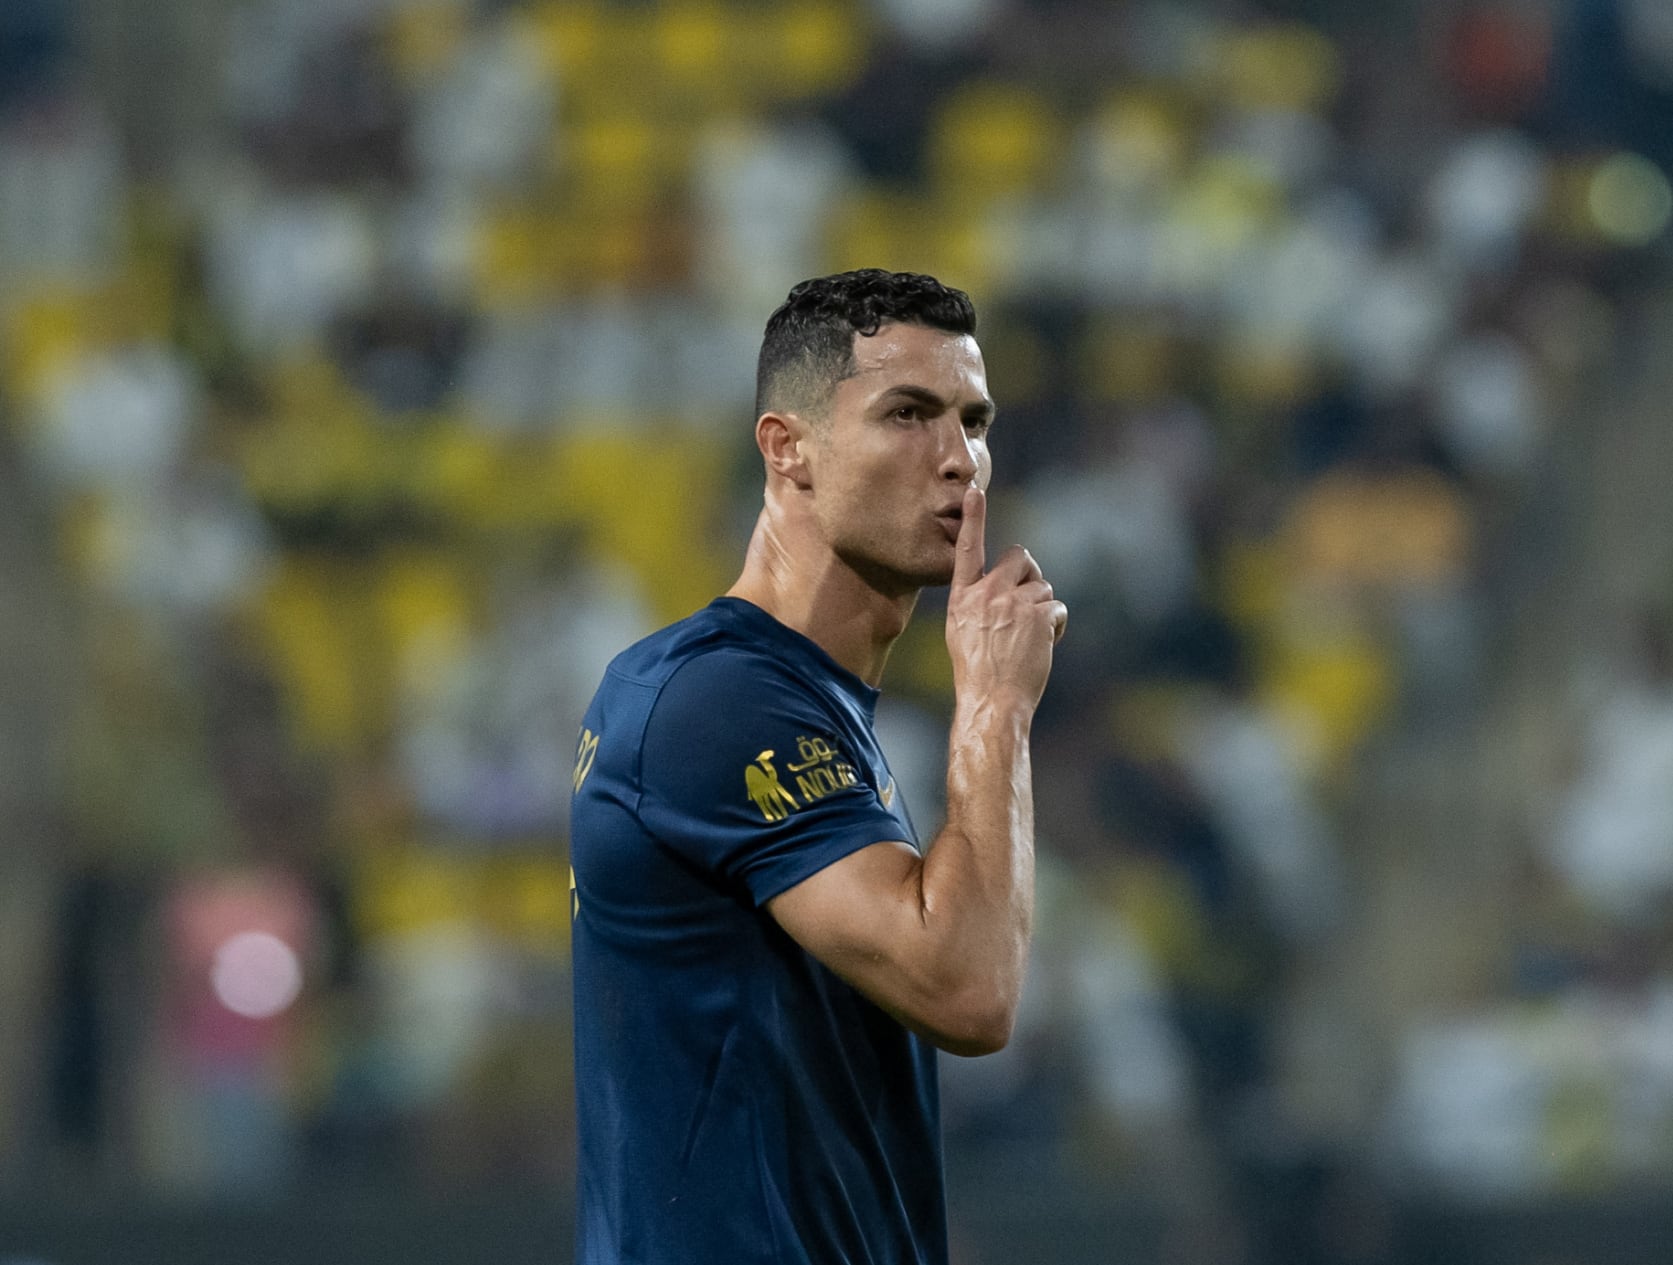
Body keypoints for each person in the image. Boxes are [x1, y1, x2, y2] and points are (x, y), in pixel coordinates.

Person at [568, 268, 1068, 1264]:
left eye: (973, 421)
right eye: (907, 414)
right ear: (786, 447)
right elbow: (967, 989)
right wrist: (997, 709)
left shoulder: (799, 699)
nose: (959, 460)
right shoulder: (721, 703)